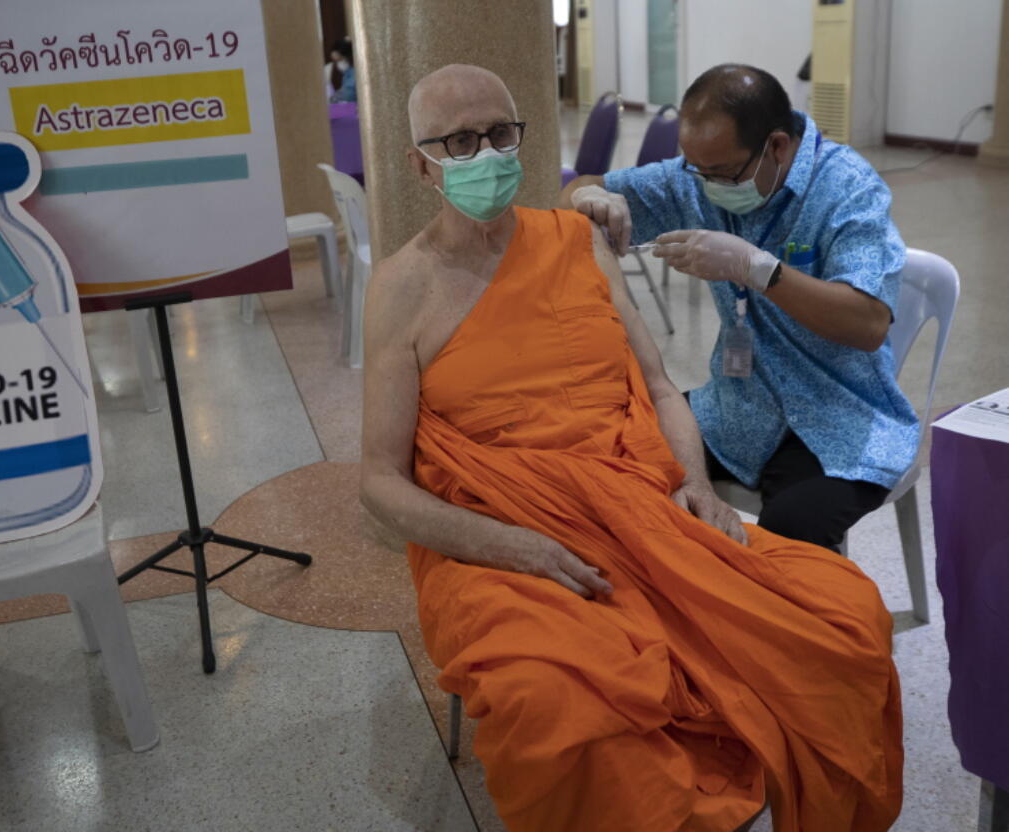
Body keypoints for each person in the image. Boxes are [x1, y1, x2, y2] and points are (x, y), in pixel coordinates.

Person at [361, 63, 902, 832]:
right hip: (496, 532)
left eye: (501, 134)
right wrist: (508, 545)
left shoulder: (575, 246)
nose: (486, 154)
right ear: (421, 164)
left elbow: (655, 388)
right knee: (554, 704)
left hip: (650, 495)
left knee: (843, 614)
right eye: (458, 141)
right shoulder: (402, 285)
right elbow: (379, 480)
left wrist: (696, 487)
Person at [560, 64, 915, 553]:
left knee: (793, 530)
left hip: (840, 414)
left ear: (777, 146)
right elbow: (578, 191)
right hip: (736, 406)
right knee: (612, 452)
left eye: (723, 173)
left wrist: (758, 269)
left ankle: (801, 625)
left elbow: (868, 323)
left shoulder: (847, 188)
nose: (707, 185)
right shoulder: (697, 175)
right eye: (697, 170)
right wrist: (589, 196)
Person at [329, 38, 356, 103]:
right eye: (335, 62)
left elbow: (348, 95)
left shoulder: (353, 74)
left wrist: (334, 98)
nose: (338, 64)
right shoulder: (346, 74)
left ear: (347, 57)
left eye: (340, 60)